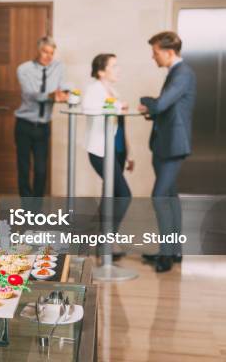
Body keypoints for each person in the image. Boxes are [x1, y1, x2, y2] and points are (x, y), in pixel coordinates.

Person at [139, 31, 196, 273]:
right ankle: (174, 250)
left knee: (160, 196)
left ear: (169, 52)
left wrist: (146, 100)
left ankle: (166, 255)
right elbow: (167, 107)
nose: (153, 57)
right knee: (170, 198)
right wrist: (153, 108)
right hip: (165, 143)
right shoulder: (175, 73)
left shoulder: (183, 73)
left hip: (173, 144)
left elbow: (162, 104)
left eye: (155, 53)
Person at [83, 54, 133, 258]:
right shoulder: (94, 89)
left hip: (118, 150)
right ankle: (106, 241)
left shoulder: (112, 90)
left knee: (109, 195)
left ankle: (97, 240)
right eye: (114, 66)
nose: (118, 69)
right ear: (101, 71)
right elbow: (87, 108)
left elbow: (120, 126)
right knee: (124, 194)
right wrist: (117, 107)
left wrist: (129, 153)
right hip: (100, 151)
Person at [15, 36, 69, 197]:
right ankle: (26, 208)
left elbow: (64, 86)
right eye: (45, 52)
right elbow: (31, 94)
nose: (48, 56)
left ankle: (36, 208)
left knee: (41, 170)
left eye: (51, 53)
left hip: (43, 127)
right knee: (24, 168)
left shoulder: (58, 67)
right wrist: (53, 95)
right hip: (24, 124)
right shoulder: (23, 69)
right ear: (38, 51)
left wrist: (66, 93)